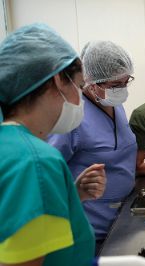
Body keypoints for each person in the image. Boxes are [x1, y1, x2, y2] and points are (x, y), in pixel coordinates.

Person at [0, 23, 95, 265]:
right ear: (57, 80)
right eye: (79, 86)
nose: (80, 98)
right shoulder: (36, 160)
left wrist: (73, 195)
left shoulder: (10, 148)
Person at [48, 40, 138, 252]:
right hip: (91, 231)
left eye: (126, 82)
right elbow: (49, 175)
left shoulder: (115, 105)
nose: (122, 90)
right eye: (115, 85)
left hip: (122, 221)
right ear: (89, 81)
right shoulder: (73, 115)